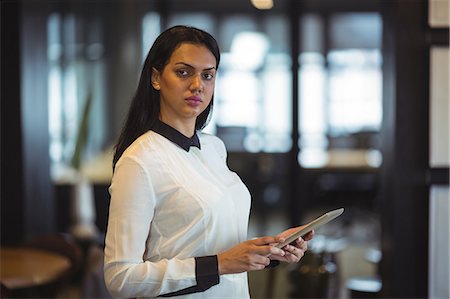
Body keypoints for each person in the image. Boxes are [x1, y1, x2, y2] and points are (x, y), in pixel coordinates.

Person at [104, 25, 314, 298]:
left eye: (207, 75)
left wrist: (270, 250)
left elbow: (217, 245)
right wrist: (221, 264)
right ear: (156, 77)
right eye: (183, 72)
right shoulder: (139, 161)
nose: (197, 85)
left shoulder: (213, 147)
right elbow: (120, 278)